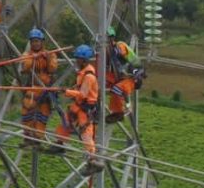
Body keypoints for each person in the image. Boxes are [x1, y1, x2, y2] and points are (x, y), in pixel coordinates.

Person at [47, 44, 104, 175]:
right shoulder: (83, 73)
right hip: (79, 105)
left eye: (78, 59)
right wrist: (69, 89)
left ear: (84, 60)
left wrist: (67, 92)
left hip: (85, 108)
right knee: (66, 122)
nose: (76, 61)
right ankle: (59, 143)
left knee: (85, 133)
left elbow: (83, 94)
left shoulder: (89, 76)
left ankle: (92, 159)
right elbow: (79, 89)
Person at [20, 28, 58, 148]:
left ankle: (37, 138)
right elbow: (25, 67)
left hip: (45, 89)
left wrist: (46, 58)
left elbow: (53, 68)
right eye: (33, 41)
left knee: (43, 114)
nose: (35, 43)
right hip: (33, 87)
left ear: (42, 42)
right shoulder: (27, 55)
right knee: (27, 111)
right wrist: (34, 57)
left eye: (37, 41)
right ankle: (27, 136)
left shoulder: (50, 54)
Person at [105, 26, 145, 124]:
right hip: (122, 76)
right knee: (110, 88)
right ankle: (116, 111)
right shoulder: (108, 51)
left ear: (112, 38)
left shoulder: (119, 45)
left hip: (133, 75)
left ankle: (121, 110)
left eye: (109, 38)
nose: (107, 40)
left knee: (118, 89)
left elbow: (121, 53)